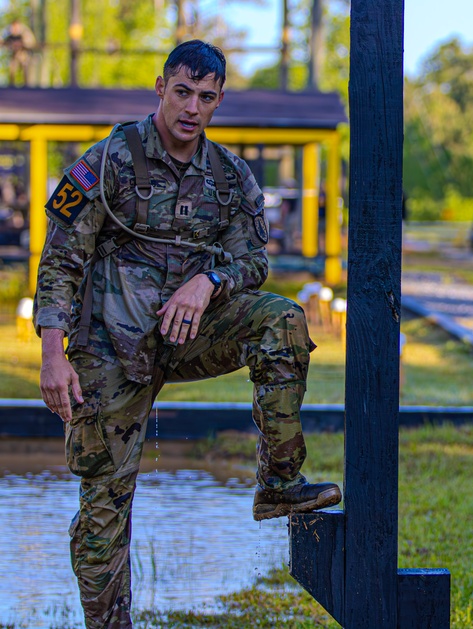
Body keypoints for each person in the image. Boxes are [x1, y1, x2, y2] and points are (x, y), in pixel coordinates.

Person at [33, 40, 342, 629]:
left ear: (218, 100)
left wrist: (209, 280)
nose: (191, 108)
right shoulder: (109, 160)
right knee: (104, 506)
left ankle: (279, 480)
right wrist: (53, 354)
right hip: (109, 344)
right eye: (182, 92)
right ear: (160, 88)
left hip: (190, 333)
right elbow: (60, 263)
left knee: (281, 319)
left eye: (205, 97)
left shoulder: (231, 176)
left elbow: (253, 260)